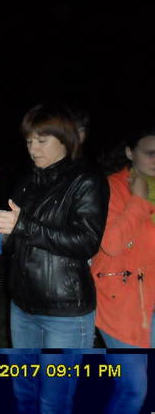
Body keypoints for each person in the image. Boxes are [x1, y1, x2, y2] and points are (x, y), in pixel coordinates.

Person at [0, 104, 110, 414]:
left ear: (64, 139)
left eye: (41, 141)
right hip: (22, 305)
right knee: (24, 393)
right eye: (29, 141)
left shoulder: (87, 180)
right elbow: (19, 239)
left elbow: (86, 242)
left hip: (64, 312)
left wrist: (22, 225)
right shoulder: (28, 181)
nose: (32, 149)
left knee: (54, 401)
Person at [88, 126, 155, 414]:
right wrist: (138, 201)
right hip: (120, 302)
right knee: (133, 390)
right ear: (130, 153)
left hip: (150, 299)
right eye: (150, 153)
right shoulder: (112, 187)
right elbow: (111, 244)